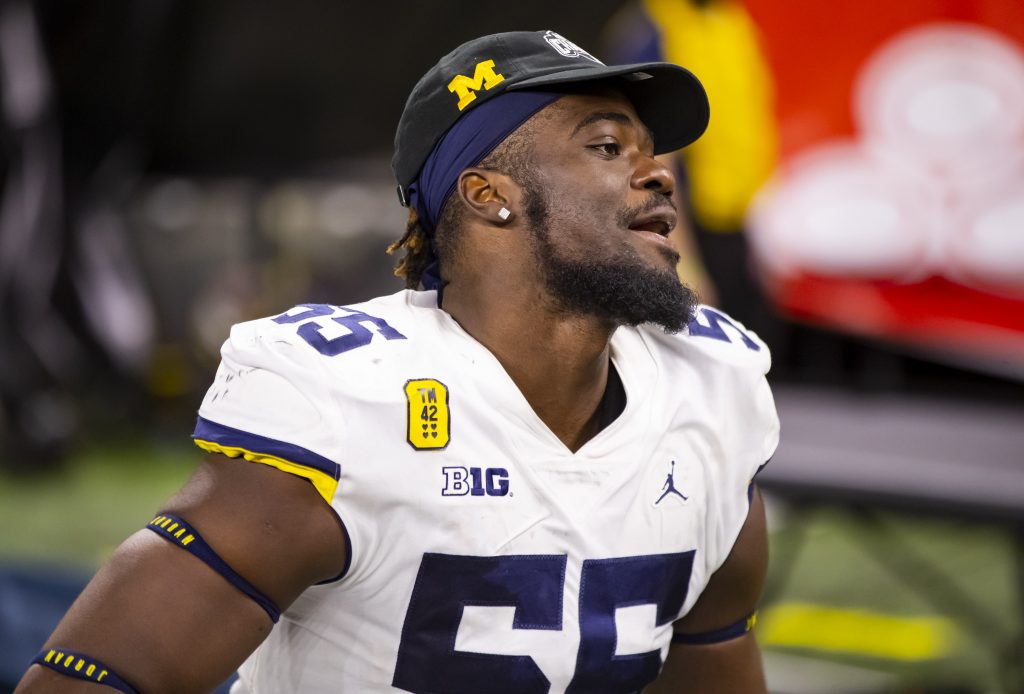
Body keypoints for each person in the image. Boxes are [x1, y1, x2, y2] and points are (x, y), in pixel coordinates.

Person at [16, 29, 779, 694]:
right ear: (487, 195)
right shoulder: (346, 402)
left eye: (652, 153)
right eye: (609, 147)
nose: (659, 174)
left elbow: (714, 657)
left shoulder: (709, 387)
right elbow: (102, 676)